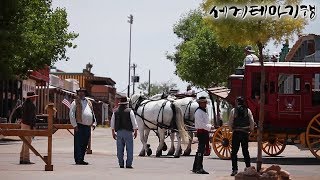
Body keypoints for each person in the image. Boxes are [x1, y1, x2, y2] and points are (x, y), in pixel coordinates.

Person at [69, 88, 97, 165]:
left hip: (87, 126)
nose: (81, 94)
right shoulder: (75, 102)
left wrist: (94, 123)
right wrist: (74, 125)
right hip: (79, 126)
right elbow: (71, 114)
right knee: (78, 143)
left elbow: (92, 113)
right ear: (78, 93)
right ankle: (78, 159)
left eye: (83, 92)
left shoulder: (89, 102)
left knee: (85, 143)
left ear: (85, 93)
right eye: (80, 92)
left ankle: (81, 159)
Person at [228, 96, 255, 176]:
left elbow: (230, 123)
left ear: (237, 102)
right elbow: (252, 122)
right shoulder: (248, 110)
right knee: (245, 151)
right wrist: (251, 131)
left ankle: (234, 170)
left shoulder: (233, 110)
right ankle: (248, 168)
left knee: (234, 152)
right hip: (244, 133)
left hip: (236, 133)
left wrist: (231, 130)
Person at [111, 96, 138, 168]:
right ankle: (128, 164)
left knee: (119, 149)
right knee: (129, 149)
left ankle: (121, 163)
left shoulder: (115, 111)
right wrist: (135, 131)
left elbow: (112, 122)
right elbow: (134, 121)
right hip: (128, 132)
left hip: (119, 132)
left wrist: (113, 132)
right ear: (126, 104)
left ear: (120, 103)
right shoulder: (130, 111)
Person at [192, 96, 215, 174]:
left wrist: (210, 126)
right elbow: (201, 124)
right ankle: (199, 168)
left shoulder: (203, 111)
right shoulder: (198, 112)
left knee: (200, 150)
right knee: (201, 150)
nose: (205, 104)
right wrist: (210, 127)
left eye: (205, 102)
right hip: (201, 132)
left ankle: (195, 167)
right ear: (200, 103)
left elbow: (205, 122)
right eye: (204, 103)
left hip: (204, 132)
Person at [19, 92, 38, 164]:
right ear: (30, 98)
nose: (35, 98)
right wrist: (32, 126)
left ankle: (22, 158)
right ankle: (26, 159)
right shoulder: (31, 105)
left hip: (23, 124)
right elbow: (31, 117)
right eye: (34, 97)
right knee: (28, 142)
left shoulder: (24, 104)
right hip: (28, 125)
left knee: (25, 142)